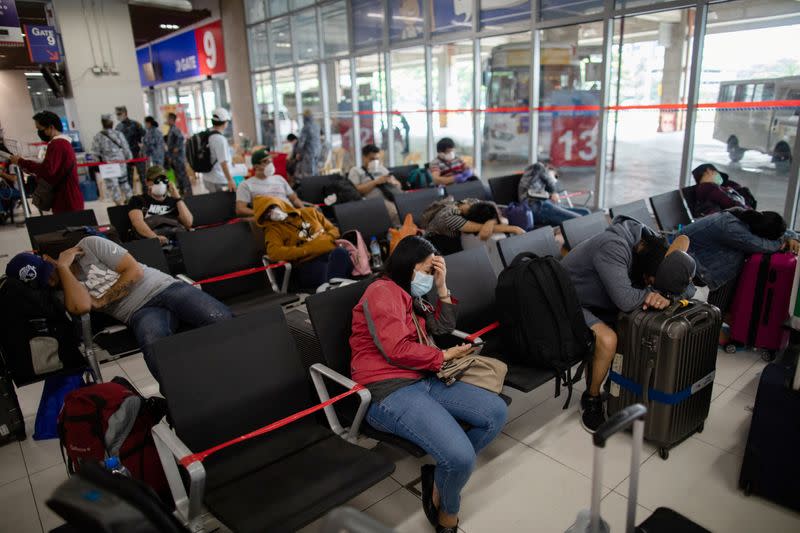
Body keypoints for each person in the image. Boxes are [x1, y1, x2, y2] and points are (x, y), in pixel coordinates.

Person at [350, 236, 507, 533]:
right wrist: (444, 354)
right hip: (389, 389)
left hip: (424, 375)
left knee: (494, 413)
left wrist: (442, 286)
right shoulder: (381, 292)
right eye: (426, 270)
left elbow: (443, 327)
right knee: (460, 456)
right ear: (407, 266)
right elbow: (396, 350)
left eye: (432, 271)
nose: (428, 276)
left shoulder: (410, 294)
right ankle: (448, 511)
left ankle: (443, 477)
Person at [19, 238, 232, 380]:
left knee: (221, 319)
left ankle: (245, 364)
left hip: (164, 287)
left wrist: (103, 301)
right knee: (154, 348)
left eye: (46, 271)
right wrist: (63, 268)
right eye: (43, 281)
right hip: (138, 312)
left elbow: (134, 271)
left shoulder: (89, 245)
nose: (49, 280)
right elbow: (82, 306)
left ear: (47, 259)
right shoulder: (61, 289)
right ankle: (185, 396)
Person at [561, 216, 697, 432]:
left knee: (633, 325)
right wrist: (653, 293)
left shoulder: (653, 247)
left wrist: (666, 296)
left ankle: (611, 383)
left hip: (598, 300)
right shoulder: (614, 246)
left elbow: (687, 282)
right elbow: (625, 299)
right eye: (650, 281)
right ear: (646, 272)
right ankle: (591, 398)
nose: (651, 285)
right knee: (608, 339)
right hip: (567, 302)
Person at [681, 208, 800, 295]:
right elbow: (763, 246)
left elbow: (784, 232)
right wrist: (783, 242)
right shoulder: (732, 229)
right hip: (688, 268)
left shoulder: (749, 219)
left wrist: (792, 237)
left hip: (700, 265)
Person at [253, 195, 353, 290]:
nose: (272, 213)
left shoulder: (310, 212)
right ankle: (336, 287)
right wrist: (306, 250)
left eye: (272, 208)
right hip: (307, 263)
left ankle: (333, 287)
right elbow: (274, 252)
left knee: (341, 253)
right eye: (267, 214)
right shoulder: (272, 230)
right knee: (328, 270)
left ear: (280, 203)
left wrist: (326, 240)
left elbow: (333, 230)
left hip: (330, 253)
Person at [8, 111, 83, 213]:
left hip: (65, 199)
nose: (39, 132)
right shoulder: (64, 143)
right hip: (69, 197)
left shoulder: (57, 144)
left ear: (51, 127)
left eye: (39, 129)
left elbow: (48, 170)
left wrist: (22, 162)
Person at [421, 196, 524, 254]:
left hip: (453, 233)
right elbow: (482, 229)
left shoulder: (473, 202)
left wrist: (491, 222)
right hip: (437, 242)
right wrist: (514, 229)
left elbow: (500, 217)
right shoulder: (450, 217)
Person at [128, 166, 193, 244]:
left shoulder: (173, 201)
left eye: (164, 180)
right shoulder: (138, 200)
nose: (160, 183)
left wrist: (177, 197)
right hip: (152, 242)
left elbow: (188, 223)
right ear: (147, 182)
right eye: (156, 180)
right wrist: (155, 238)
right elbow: (137, 223)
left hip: (176, 240)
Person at [518, 162, 590, 225]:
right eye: (555, 176)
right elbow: (550, 182)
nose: (555, 179)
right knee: (580, 220)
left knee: (586, 212)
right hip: (536, 205)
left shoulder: (535, 178)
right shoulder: (538, 166)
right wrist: (553, 192)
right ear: (549, 169)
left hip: (541, 205)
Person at [236, 150, 302, 217]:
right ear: (256, 166)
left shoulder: (279, 178)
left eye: (270, 160)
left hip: (292, 214)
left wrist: (303, 209)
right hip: (272, 220)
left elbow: (294, 199)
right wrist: (262, 214)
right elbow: (240, 209)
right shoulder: (246, 185)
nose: (270, 164)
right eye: (265, 161)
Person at [347, 144, 403, 224]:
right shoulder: (356, 170)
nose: (375, 162)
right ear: (364, 157)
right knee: (396, 212)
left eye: (377, 159)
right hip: (374, 201)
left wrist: (393, 182)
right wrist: (376, 182)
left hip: (392, 195)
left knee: (407, 208)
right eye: (372, 159)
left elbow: (399, 185)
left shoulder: (381, 168)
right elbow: (356, 190)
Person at [91, 115, 133, 205]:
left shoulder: (98, 136)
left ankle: (119, 206)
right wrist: (129, 159)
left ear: (102, 123)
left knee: (113, 187)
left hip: (108, 166)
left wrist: (96, 164)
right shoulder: (118, 134)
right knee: (124, 183)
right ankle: (131, 202)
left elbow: (95, 153)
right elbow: (126, 148)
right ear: (112, 123)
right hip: (121, 164)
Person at [691, 163, 757, 216]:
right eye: (716, 172)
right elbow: (729, 202)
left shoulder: (710, 187)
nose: (718, 175)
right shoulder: (707, 187)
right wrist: (750, 211)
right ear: (709, 171)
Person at [201, 108, 235, 193]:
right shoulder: (219, 139)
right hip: (217, 179)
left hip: (208, 176)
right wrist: (230, 180)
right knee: (221, 203)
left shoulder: (208, 133)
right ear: (225, 122)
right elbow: (223, 163)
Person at [115, 106, 146, 189]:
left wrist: (142, 149)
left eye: (119, 114)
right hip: (126, 155)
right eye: (117, 114)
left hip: (137, 154)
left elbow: (145, 137)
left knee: (143, 177)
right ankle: (130, 197)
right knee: (128, 178)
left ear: (125, 113)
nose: (117, 116)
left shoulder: (136, 124)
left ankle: (147, 196)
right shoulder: (118, 127)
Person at [165, 112, 192, 197]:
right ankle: (182, 191)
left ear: (172, 120)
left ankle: (188, 192)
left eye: (168, 119)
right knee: (177, 175)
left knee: (182, 175)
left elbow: (181, 138)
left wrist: (177, 148)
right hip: (174, 158)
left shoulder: (175, 129)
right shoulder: (171, 129)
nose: (167, 121)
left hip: (178, 158)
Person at [293, 110, 321, 179]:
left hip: (308, 151)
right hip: (317, 150)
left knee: (308, 172)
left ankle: (310, 187)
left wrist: (298, 152)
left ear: (305, 117)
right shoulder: (316, 126)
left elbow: (301, 142)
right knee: (315, 169)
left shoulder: (306, 127)